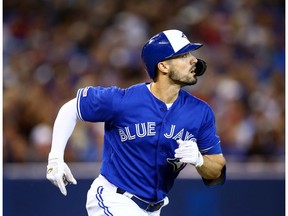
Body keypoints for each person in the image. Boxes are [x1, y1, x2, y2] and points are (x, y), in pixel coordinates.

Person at [46, 29, 226, 216]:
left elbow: (216, 170)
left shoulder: (200, 112)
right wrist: (55, 157)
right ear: (163, 66)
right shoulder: (123, 100)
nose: (193, 60)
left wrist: (199, 160)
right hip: (113, 199)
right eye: (183, 55)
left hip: (153, 209)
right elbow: (71, 108)